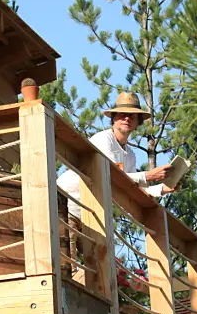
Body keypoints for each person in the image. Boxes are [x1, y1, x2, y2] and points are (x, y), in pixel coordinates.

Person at [55, 91, 175, 219]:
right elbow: (110, 176)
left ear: (137, 123)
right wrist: (148, 175)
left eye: (132, 116)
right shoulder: (104, 139)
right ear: (114, 118)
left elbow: (132, 188)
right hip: (67, 204)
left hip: (89, 215)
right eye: (122, 114)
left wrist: (163, 188)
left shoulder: (130, 155)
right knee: (64, 239)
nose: (127, 118)